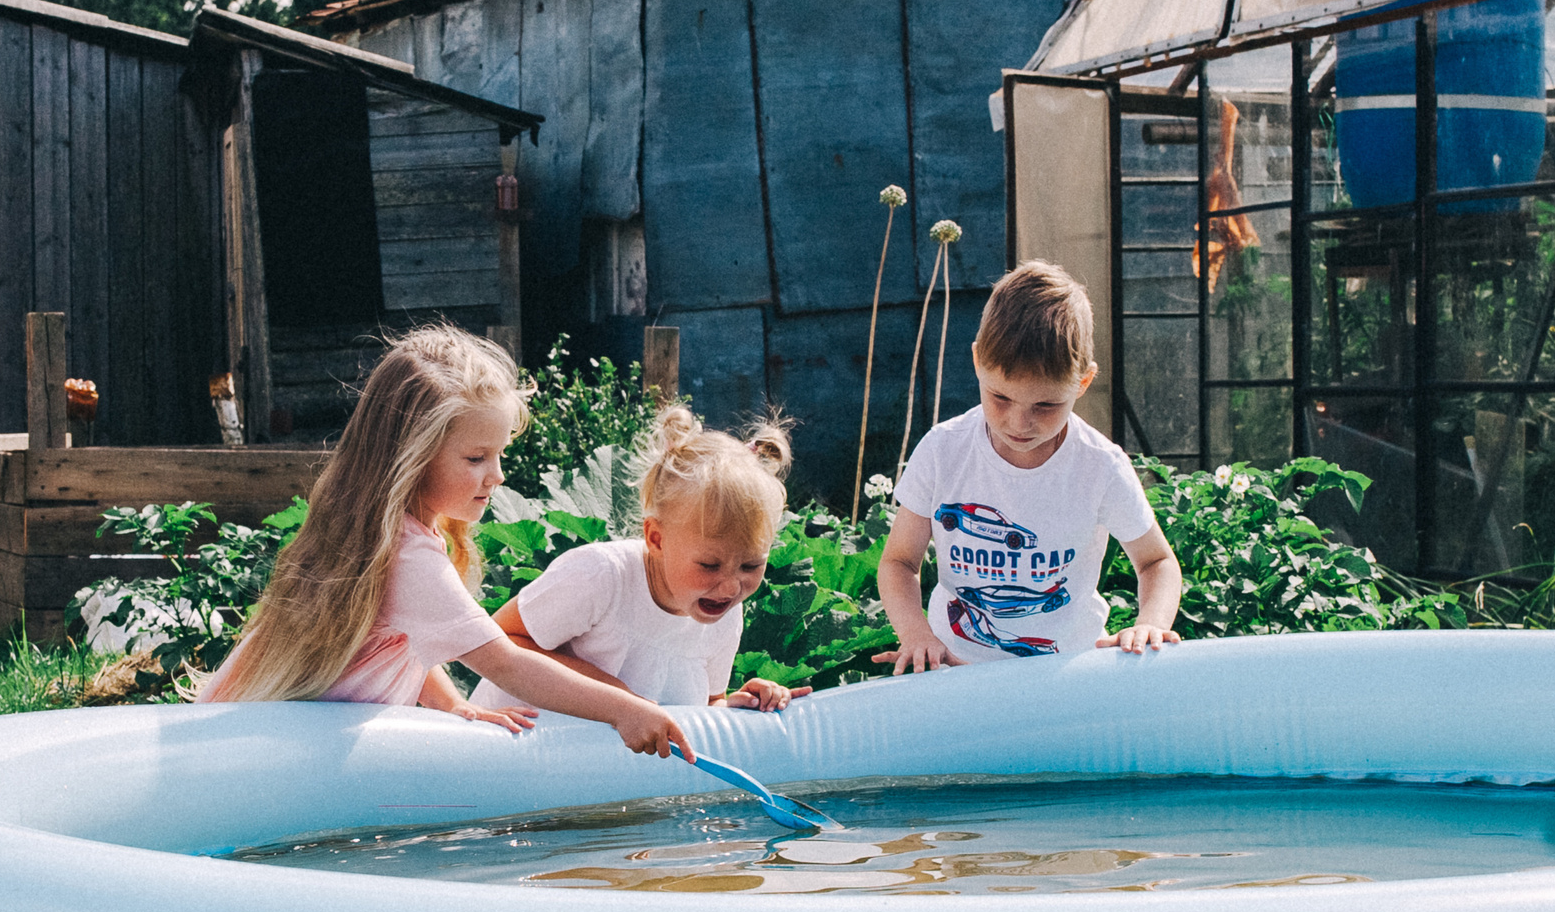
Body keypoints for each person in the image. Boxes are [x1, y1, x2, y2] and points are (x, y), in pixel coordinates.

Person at [198, 326, 692, 759]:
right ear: (411, 457)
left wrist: (453, 705)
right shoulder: (406, 556)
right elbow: (506, 664)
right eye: (476, 458)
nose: (496, 476)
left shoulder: (376, 534)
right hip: (261, 753)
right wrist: (624, 710)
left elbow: (407, 636)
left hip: (262, 732)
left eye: (498, 454)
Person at [877, 261, 1183, 671]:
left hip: (1064, 673)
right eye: (1000, 397)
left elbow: (1157, 562)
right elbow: (899, 562)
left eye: (1046, 405)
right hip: (956, 668)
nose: (1019, 423)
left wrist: (1149, 624)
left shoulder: (1100, 466)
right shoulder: (942, 451)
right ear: (977, 363)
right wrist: (917, 636)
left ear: (1083, 383)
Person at [476, 405, 806, 715]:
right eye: (709, 565)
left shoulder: (725, 617)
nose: (732, 586)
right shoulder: (601, 575)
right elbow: (500, 640)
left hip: (606, 770)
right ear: (656, 539)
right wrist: (617, 698)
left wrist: (737, 707)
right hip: (513, 749)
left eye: (751, 565)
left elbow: (708, 703)